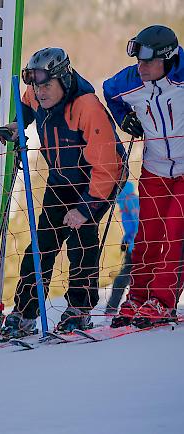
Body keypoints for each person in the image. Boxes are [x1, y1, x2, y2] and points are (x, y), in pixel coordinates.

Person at [0, 47, 125, 338]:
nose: (40, 92)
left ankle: (79, 310)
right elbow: (27, 106)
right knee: (42, 244)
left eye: (46, 85)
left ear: (64, 79)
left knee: (82, 242)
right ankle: (25, 312)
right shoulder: (37, 94)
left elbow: (106, 168)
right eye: (36, 85)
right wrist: (18, 126)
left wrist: (84, 208)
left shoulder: (87, 106)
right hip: (61, 178)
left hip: (97, 179)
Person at [103, 25, 184, 328]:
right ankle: (137, 297)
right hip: (155, 169)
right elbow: (108, 90)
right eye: (138, 60)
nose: (141, 67)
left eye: (148, 61)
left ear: (168, 58)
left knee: (174, 234)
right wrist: (125, 118)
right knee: (146, 235)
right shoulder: (130, 81)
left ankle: (162, 302)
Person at [105, 181, 139, 314]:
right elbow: (132, 227)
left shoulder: (130, 202)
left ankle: (111, 310)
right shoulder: (126, 202)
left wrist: (135, 243)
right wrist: (126, 239)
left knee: (123, 279)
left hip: (138, 249)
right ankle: (111, 310)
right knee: (124, 280)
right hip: (132, 246)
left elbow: (139, 224)